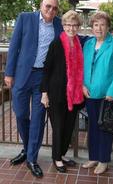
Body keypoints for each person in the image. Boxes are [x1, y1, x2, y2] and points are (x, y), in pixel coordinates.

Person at [4, 0, 63, 178]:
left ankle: (31, 158)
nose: (50, 10)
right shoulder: (25, 18)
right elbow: (14, 47)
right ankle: (27, 148)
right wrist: (9, 73)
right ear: (40, 5)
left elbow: (73, 36)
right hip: (22, 75)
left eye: (54, 8)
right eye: (48, 6)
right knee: (20, 113)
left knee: (38, 118)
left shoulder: (59, 24)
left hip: (43, 78)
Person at [82, 11, 113, 174]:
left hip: (106, 95)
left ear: (108, 27)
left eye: (102, 24)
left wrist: (112, 92)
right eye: (95, 25)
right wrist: (81, 85)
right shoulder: (88, 44)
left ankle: (104, 160)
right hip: (90, 93)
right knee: (92, 126)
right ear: (92, 27)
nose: (99, 28)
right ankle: (93, 157)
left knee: (105, 127)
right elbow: (82, 67)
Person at [40, 10, 84, 173]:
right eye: (68, 25)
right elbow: (46, 69)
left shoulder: (80, 44)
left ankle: (62, 153)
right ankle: (56, 158)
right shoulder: (56, 43)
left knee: (68, 127)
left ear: (78, 26)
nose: (71, 28)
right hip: (56, 93)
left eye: (74, 25)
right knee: (58, 127)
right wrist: (44, 93)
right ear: (63, 26)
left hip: (73, 95)